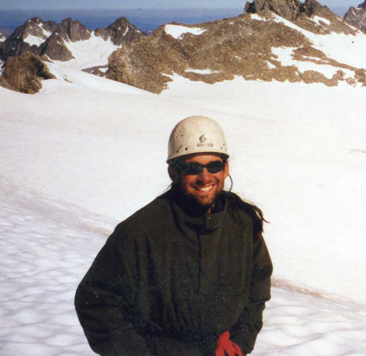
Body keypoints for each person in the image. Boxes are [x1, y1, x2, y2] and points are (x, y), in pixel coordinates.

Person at [75, 116, 272, 356]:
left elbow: (257, 287)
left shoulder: (242, 223)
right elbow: (95, 301)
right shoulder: (141, 230)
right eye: (192, 167)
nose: (205, 176)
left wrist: (240, 341)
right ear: (173, 172)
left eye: (214, 165)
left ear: (226, 168)